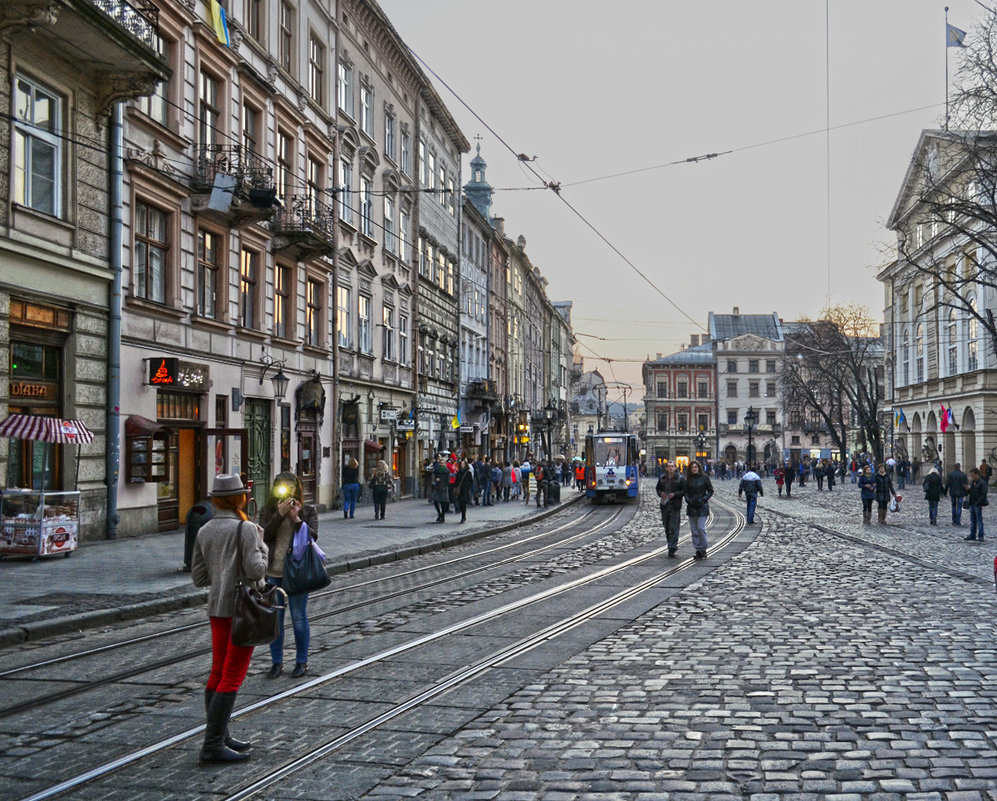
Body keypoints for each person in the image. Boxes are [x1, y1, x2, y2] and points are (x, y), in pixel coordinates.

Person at [191, 474, 268, 764]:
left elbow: (199, 577)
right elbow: (257, 570)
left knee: (218, 670)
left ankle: (220, 734)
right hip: (242, 610)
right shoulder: (246, 529)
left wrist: (221, 572)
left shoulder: (205, 529)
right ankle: (212, 745)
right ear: (241, 499)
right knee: (233, 673)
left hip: (217, 609)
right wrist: (261, 544)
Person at [260, 471, 319, 680]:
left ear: (297, 489)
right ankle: (276, 663)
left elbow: (313, 536)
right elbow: (264, 536)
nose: (286, 491)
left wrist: (296, 519)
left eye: (290, 487)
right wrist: (279, 515)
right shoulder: (268, 510)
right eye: (282, 487)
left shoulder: (308, 510)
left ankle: (301, 661)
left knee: (298, 617)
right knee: (275, 619)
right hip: (273, 572)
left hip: (298, 574)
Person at [655, 461, 686, 558]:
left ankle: (672, 547)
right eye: (669, 467)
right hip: (665, 505)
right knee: (667, 526)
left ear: (675, 468)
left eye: (672, 466)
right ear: (666, 468)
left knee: (673, 527)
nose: (670, 468)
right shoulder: (662, 478)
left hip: (675, 506)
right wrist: (661, 494)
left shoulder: (680, 479)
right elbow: (658, 489)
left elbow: (684, 491)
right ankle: (670, 543)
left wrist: (675, 494)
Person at [685, 460, 714, 559]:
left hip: (702, 506)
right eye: (692, 467)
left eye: (695, 467)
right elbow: (686, 492)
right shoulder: (688, 479)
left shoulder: (704, 478)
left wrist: (704, 499)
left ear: (699, 468)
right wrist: (688, 499)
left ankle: (703, 548)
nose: (694, 469)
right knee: (694, 530)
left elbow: (710, 490)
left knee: (701, 528)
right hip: (692, 506)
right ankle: (698, 549)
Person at [966, 467, 989, 542]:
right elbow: (971, 492)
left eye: (972, 475)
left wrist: (978, 502)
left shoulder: (982, 482)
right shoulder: (973, 482)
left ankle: (980, 535)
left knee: (979, 519)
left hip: (977, 504)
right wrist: (968, 490)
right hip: (972, 503)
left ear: (977, 474)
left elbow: (983, 494)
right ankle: (972, 534)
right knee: (972, 520)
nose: (971, 477)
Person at [430, 454, 451, 523]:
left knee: (443, 503)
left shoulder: (446, 471)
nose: (442, 464)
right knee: (435, 501)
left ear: (445, 464)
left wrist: (443, 483)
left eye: (443, 463)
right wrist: (436, 479)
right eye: (441, 463)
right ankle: (439, 513)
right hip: (437, 487)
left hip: (444, 488)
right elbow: (434, 476)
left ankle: (443, 516)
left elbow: (448, 480)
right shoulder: (437, 470)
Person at [455, 458, 474, 523]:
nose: (462, 465)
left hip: (465, 490)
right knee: (460, 503)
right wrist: (455, 487)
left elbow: (471, 482)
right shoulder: (458, 473)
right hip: (459, 490)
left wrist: (467, 486)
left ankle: (463, 516)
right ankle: (462, 514)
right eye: (461, 464)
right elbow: (456, 481)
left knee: (463, 503)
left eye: (463, 464)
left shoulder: (468, 473)